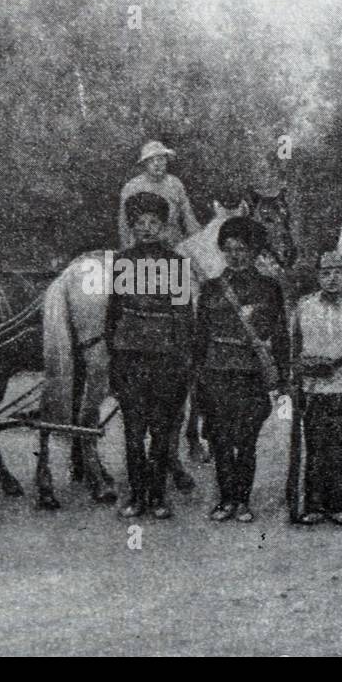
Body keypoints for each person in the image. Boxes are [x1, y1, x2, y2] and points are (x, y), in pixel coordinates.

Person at [191, 216, 289, 523]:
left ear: (253, 251)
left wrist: (284, 379)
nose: (235, 255)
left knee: (246, 440)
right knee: (220, 440)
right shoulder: (210, 288)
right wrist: (197, 375)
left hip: (250, 373)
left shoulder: (269, 287)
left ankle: (243, 501)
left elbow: (281, 334)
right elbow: (200, 335)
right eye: (229, 249)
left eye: (242, 248)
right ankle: (225, 500)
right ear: (222, 251)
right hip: (217, 371)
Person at [104, 192, 195, 519]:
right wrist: (114, 363)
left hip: (165, 359)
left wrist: (185, 361)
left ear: (164, 226)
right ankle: (135, 497)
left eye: (153, 223)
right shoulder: (122, 262)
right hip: (130, 358)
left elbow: (185, 315)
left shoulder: (176, 264)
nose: (146, 229)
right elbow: (113, 315)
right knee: (132, 432)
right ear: (132, 227)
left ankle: (157, 497)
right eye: (139, 224)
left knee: (160, 432)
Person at [291, 251, 342, 525]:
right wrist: (297, 379)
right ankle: (314, 504)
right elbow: (295, 346)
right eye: (326, 272)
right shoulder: (304, 306)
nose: (332, 278)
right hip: (314, 386)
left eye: (337, 271)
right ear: (317, 276)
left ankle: (339, 505)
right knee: (315, 447)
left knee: (341, 447)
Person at [117, 141, 201, 249]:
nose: (157, 164)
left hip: (172, 243)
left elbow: (188, 217)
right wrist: (127, 250)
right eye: (151, 160)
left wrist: (198, 242)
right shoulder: (132, 187)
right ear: (144, 164)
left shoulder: (175, 183)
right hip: (142, 245)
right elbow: (124, 224)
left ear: (166, 161)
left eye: (160, 159)